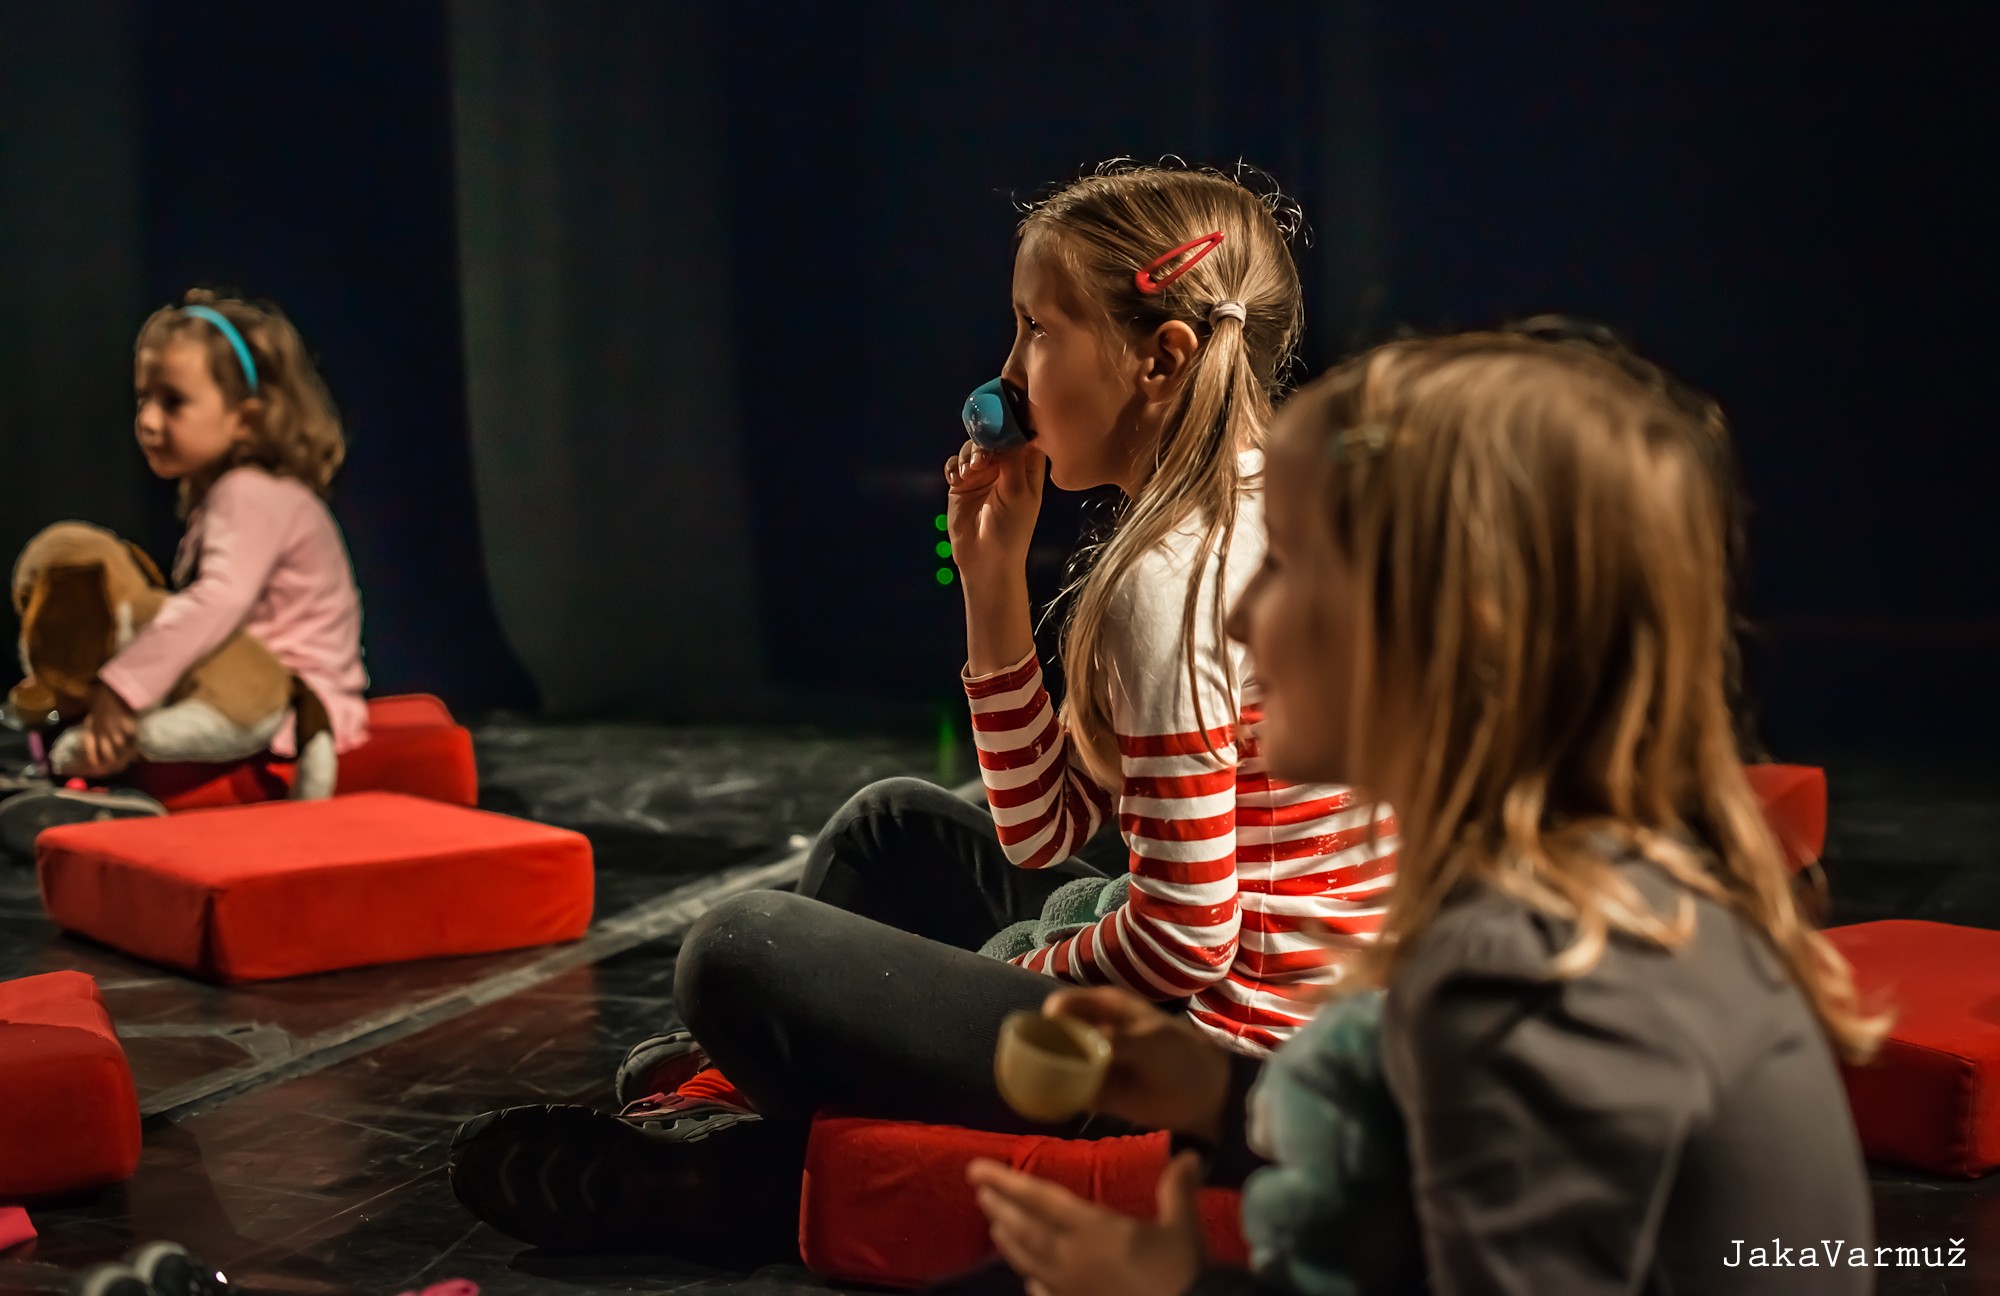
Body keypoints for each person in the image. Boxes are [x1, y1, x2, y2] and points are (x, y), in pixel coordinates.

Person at [447, 161, 1398, 1261]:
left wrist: (1011, 973)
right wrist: (991, 587)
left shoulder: (1172, 578)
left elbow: (1187, 938)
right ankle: (752, 1107)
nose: (1005, 373)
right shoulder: (1282, 505)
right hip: (1265, 1027)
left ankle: (742, 1148)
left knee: (737, 950)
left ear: (1161, 358)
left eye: (1037, 330)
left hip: (1218, 1072)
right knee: (891, 827)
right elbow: (1042, 830)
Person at [964, 332, 1882, 1295]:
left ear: (1442, 628)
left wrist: (1174, 1288)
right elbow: (1417, 1175)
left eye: (1288, 565)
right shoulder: (1556, 898)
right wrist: (1214, 1093)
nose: (1238, 618)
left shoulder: (1528, 978)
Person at [0, 290, 368, 850]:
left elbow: (218, 601)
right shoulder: (235, 495)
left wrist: (123, 689)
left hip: (285, 703)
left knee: (128, 646)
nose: (148, 421)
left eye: (173, 403)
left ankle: (106, 792)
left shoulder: (250, 495)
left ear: (244, 420)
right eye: (143, 399)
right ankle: (69, 769)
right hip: (254, 685)